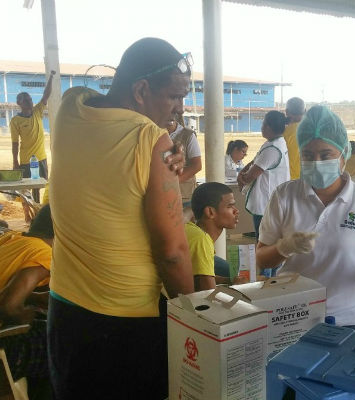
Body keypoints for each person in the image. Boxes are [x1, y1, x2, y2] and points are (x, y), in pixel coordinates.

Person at [47, 38, 194, 399]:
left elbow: (94, 98)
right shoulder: (150, 140)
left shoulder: (70, 106)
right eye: (174, 96)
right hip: (124, 326)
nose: (179, 109)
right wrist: (195, 314)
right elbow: (173, 252)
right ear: (141, 89)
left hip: (63, 311)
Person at [256, 105, 355, 332]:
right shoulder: (284, 196)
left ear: (343, 155)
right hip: (292, 315)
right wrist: (284, 247)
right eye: (308, 155)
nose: (317, 162)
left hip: (348, 318)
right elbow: (262, 259)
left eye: (326, 155)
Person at [0, 206, 52, 396]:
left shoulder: (9, 239)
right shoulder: (44, 254)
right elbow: (5, 307)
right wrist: (28, 315)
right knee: (53, 345)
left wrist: (33, 298)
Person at [238, 110, 290, 241]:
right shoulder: (274, 142)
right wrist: (242, 171)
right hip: (271, 202)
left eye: (263, 124)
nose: (261, 127)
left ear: (268, 127)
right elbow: (256, 160)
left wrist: (243, 177)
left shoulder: (273, 149)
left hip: (266, 205)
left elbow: (251, 176)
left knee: (264, 242)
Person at [186, 182, 242, 291]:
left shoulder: (194, 231)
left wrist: (230, 281)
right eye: (230, 206)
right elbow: (208, 293)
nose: (236, 211)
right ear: (210, 212)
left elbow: (198, 279)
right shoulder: (201, 239)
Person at [10, 71, 55, 203]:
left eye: (30, 99)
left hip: (41, 158)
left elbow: (46, 95)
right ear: (19, 103)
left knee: (39, 187)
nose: (30, 102)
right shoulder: (15, 121)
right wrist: (15, 161)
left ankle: (36, 211)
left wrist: (51, 77)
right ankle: (27, 214)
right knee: (25, 189)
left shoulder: (37, 111)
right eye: (26, 100)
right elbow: (15, 143)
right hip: (25, 161)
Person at [167, 114, 202, 208]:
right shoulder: (153, 134)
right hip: (161, 195)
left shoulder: (188, 135)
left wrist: (172, 182)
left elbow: (197, 165)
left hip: (184, 195)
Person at [282, 97, 305, 180]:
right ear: (305, 111)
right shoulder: (313, 130)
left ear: (287, 112)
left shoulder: (283, 134)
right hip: (309, 180)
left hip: (289, 180)